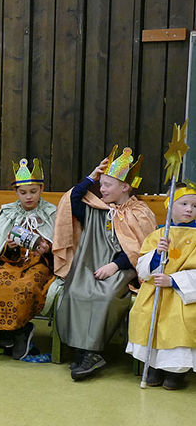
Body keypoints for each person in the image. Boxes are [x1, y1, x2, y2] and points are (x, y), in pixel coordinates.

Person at [52, 146, 156, 380]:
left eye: (107, 184)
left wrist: (115, 266)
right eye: (100, 184)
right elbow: (73, 199)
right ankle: (81, 350)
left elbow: (141, 249)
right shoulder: (96, 209)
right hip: (92, 265)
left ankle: (92, 352)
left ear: (125, 187)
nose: (101, 188)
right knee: (77, 290)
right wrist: (91, 176)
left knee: (104, 296)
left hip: (125, 268)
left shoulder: (140, 212)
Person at [0, 158, 61, 360]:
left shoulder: (52, 213)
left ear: (42, 189)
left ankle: (17, 331)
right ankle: (9, 333)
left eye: (33, 192)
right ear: (16, 192)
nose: (28, 197)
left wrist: (48, 249)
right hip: (13, 263)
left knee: (26, 286)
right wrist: (9, 248)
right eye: (23, 192)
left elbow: (63, 248)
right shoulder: (8, 212)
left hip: (40, 265)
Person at [126, 183, 196, 390]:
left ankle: (176, 371)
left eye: (194, 206)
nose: (189, 209)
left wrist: (174, 281)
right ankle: (153, 365)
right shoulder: (158, 235)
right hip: (155, 291)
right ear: (169, 206)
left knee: (178, 320)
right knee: (147, 316)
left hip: (183, 295)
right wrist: (157, 254)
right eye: (183, 204)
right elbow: (142, 268)